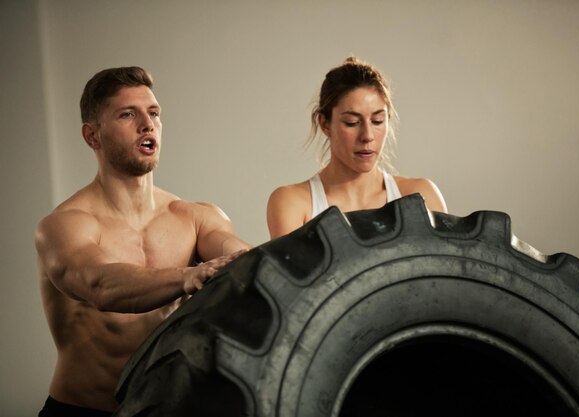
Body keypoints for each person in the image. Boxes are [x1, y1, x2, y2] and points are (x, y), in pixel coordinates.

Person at [35, 66, 251, 416]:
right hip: (83, 410)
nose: (147, 124)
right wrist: (187, 276)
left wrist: (245, 259)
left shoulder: (194, 216)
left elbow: (230, 248)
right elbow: (99, 284)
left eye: (153, 113)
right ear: (93, 136)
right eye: (127, 115)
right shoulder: (63, 226)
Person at [267, 57, 447, 239]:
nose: (367, 136)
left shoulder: (421, 196)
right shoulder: (294, 203)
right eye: (352, 122)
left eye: (377, 121)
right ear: (324, 123)